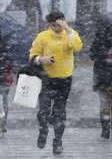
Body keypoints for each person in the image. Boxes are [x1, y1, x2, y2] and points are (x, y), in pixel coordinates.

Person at [30, 11, 82, 155]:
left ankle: (58, 141)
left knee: (59, 112)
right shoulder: (42, 36)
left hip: (64, 79)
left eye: (58, 24)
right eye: (53, 25)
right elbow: (33, 53)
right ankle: (43, 130)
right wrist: (41, 59)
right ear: (49, 24)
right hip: (46, 79)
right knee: (43, 111)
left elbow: (77, 47)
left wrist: (68, 29)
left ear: (63, 21)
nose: (56, 28)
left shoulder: (70, 34)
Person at [90, 15, 112, 139]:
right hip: (104, 76)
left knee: (104, 104)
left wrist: (101, 54)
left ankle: (105, 128)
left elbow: (92, 55)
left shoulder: (99, 38)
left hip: (102, 76)